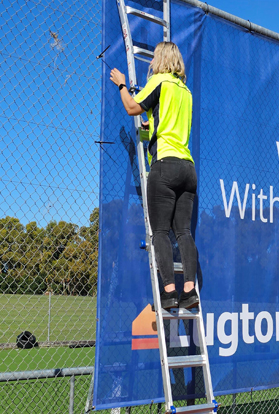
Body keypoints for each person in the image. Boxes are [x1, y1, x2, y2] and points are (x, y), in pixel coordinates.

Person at [110, 42, 198, 310]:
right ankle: (190, 290)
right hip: (188, 167)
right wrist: (153, 124)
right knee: (183, 231)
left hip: (165, 165)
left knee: (159, 231)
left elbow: (132, 108)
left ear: (159, 59)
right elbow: (168, 121)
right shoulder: (186, 91)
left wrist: (122, 85)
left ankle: (169, 293)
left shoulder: (160, 81)